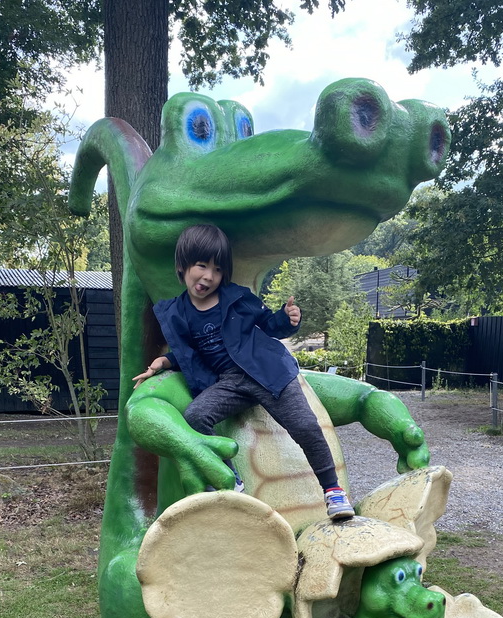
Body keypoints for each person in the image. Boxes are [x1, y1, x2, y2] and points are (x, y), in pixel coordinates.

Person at [132, 223, 355, 520]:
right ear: (183, 266)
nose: (209, 276)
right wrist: (164, 362)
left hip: (267, 372)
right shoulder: (177, 312)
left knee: (305, 426)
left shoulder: (236, 298)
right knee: (196, 416)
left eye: (217, 269)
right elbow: (191, 353)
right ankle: (231, 481)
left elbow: (270, 326)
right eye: (201, 266)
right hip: (230, 383)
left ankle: (333, 491)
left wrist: (287, 320)